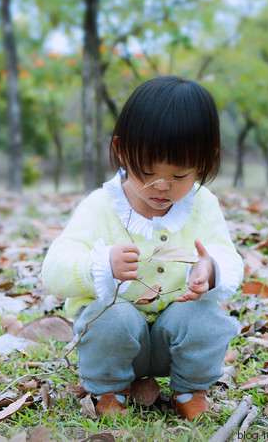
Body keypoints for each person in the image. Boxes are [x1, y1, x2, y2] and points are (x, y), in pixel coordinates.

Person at [41, 75, 243, 420]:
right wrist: (100, 264)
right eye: (146, 171)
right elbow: (53, 269)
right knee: (111, 317)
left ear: (205, 161)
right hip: (116, 341)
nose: (161, 186)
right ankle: (109, 389)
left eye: (180, 176)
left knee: (208, 319)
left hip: (174, 340)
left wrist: (211, 270)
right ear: (121, 151)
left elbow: (227, 256)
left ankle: (189, 387)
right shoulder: (101, 206)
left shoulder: (202, 204)